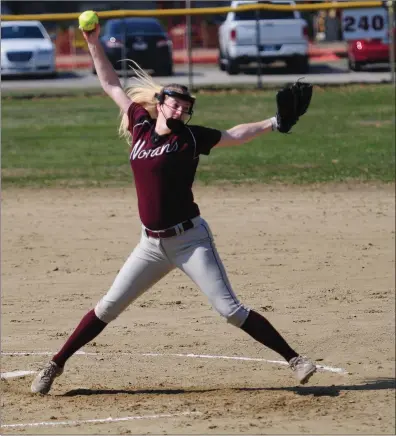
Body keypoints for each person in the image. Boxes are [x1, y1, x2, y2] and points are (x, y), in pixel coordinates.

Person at [31, 23, 317, 395]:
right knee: (107, 307)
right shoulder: (139, 125)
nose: (180, 109)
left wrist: (274, 123)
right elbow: (111, 84)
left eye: (186, 107)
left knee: (230, 310)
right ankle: (55, 365)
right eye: (175, 103)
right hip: (150, 245)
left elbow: (235, 134)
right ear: (161, 103)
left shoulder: (191, 138)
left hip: (190, 240)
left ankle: (295, 360)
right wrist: (92, 42)